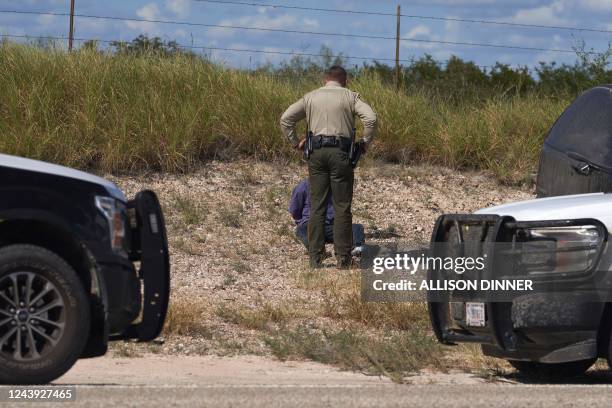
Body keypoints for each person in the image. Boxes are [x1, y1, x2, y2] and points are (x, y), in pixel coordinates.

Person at [280, 65, 378, 268]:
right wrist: (365, 142)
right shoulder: (350, 96)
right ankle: (343, 259)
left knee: (317, 206)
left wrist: (295, 141)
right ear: (345, 80)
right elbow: (371, 117)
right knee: (342, 207)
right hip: (341, 153)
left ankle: (315, 258)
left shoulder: (310, 97)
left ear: (325, 80)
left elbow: (286, 119)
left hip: (315, 153)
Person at [289, 179, 365, 257]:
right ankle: (318, 252)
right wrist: (303, 220)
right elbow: (295, 210)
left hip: (332, 227)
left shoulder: (335, 186)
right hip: (312, 226)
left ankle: (357, 249)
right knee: (301, 229)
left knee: (357, 228)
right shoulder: (304, 186)